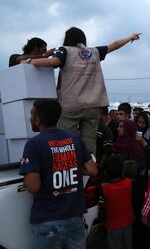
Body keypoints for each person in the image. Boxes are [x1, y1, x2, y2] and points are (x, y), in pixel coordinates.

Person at [24, 27, 141, 154]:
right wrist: (130, 37)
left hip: (72, 105)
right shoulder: (95, 52)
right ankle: (90, 169)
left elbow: (54, 61)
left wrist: (31, 61)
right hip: (94, 105)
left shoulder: (65, 51)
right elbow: (114, 45)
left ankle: (70, 167)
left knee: (66, 141)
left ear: (67, 39)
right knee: (90, 141)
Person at [19, 99, 97, 249]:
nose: (30, 118)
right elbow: (92, 170)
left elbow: (33, 187)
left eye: (31, 114)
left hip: (49, 221)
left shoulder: (34, 144)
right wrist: (68, 164)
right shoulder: (74, 138)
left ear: (38, 119)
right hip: (75, 219)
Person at [101, 155, 135, 249]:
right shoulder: (128, 183)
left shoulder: (105, 188)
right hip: (128, 223)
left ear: (106, 172)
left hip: (113, 226)